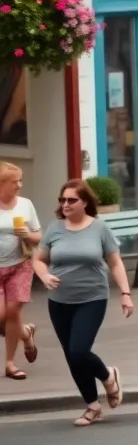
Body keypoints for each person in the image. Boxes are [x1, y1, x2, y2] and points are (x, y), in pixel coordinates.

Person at [33, 180, 134, 426]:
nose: (65, 204)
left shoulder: (99, 228)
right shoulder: (55, 228)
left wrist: (125, 293)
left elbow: (115, 262)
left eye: (71, 200)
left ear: (85, 202)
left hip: (92, 298)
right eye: (62, 200)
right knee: (71, 355)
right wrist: (44, 276)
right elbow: (38, 260)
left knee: (79, 350)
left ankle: (108, 376)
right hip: (59, 301)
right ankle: (92, 405)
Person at [0, 162, 41, 380]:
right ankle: (26, 334)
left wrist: (27, 234)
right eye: (14, 182)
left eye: (20, 181)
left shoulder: (25, 205)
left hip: (20, 266)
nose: (19, 185)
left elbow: (38, 236)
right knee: (2, 315)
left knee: (12, 312)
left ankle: (10, 364)